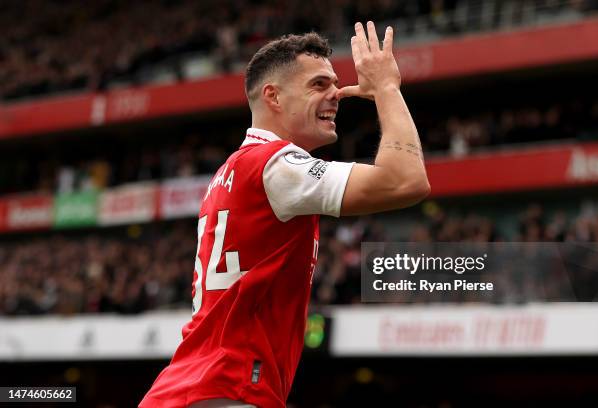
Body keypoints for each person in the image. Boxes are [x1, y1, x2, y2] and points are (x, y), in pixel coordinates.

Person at [139, 21, 430, 408]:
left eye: (333, 84)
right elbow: (405, 180)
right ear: (273, 97)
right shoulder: (275, 165)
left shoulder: (230, 172)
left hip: (195, 388)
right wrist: (387, 89)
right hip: (228, 387)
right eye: (319, 85)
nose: (336, 94)